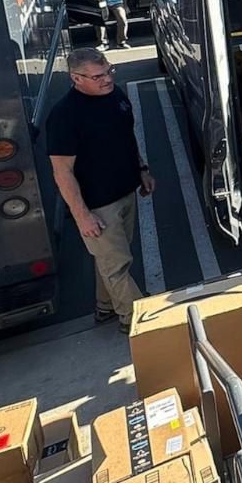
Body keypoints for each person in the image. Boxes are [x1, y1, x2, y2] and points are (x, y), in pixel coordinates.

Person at [46, 47, 153, 330]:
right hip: (98, 205)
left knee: (110, 258)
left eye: (108, 72)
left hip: (126, 191)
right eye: (97, 76)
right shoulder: (64, 117)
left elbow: (126, 137)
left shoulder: (115, 95)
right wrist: (82, 216)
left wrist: (142, 169)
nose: (106, 79)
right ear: (76, 78)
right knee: (117, 265)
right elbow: (62, 172)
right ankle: (136, 321)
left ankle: (105, 307)